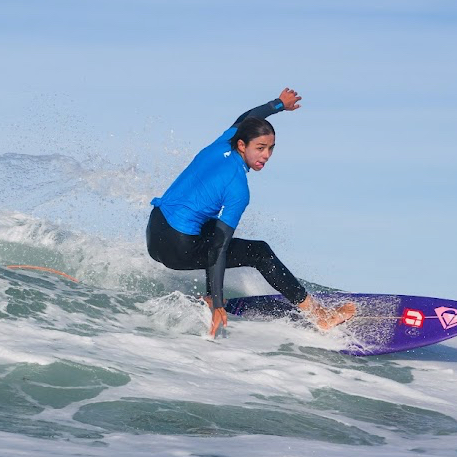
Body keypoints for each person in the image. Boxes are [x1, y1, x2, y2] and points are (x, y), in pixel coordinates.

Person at [146, 88, 356, 337]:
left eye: (271, 148)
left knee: (211, 223)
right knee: (259, 252)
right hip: (177, 250)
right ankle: (319, 316)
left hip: (155, 232)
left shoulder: (221, 144)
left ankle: (210, 296)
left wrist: (278, 104)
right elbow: (218, 249)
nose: (266, 155)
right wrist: (220, 303)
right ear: (242, 145)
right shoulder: (238, 188)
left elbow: (247, 116)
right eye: (260, 148)